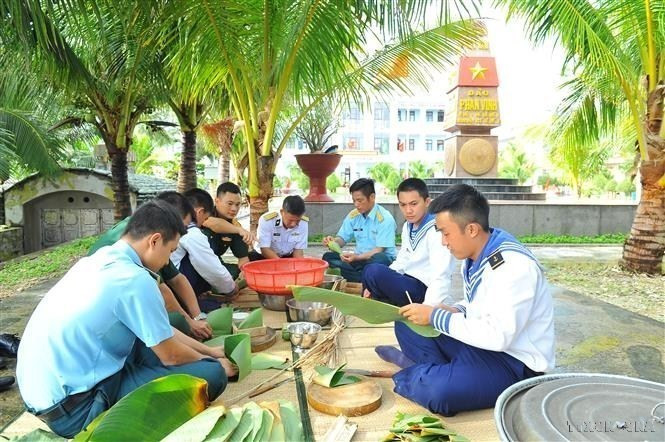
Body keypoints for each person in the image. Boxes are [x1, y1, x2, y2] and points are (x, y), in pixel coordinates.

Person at [17, 201, 236, 438]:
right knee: (213, 375)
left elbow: (162, 333)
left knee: (176, 326)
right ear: (154, 241)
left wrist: (212, 351)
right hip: (79, 408)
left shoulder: (97, 260)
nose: (166, 262)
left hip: (50, 396)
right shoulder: (135, 279)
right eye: (170, 251)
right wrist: (210, 360)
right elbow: (170, 355)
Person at [383, 184, 555, 416]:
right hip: (481, 345)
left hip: (514, 363)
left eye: (445, 233)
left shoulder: (514, 267)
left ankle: (427, 372)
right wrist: (455, 309)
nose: (444, 242)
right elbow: (478, 304)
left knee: (438, 392)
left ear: (471, 229)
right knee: (407, 323)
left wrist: (436, 316)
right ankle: (445, 372)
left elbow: (498, 337)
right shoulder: (477, 254)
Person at [87, 192, 212, 340]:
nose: (183, 232)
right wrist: (190, 323)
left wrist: (197, 317)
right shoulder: (135, 245)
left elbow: (177, 279)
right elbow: (162, 291)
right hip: (105, 324)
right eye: (182, 226)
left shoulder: (149, 237)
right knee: (177, 323)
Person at [362, 178, 456, 306]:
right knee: (369, 272)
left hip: (424, 289)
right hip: (407, 282)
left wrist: (428, 309)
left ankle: (387, 299)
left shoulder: (437, 230)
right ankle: (381, 296)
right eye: (403, 205)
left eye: (413, 204)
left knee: (374, 271)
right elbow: (402, 260)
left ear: (427, 202)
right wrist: (374, 283)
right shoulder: (408, 226)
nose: (408, 210)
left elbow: (441, 274)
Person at [173, 188, 239, 312]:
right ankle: (190, 303)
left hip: (167, 283)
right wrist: (231, 288)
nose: (203, 223)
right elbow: (211, 268)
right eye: (205, 219)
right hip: (175, 288)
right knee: (202, 261)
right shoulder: (192, 232)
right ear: (200, 212)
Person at [322, 178, 396, 282]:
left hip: (377, 260)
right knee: (328, 257)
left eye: (360, 200)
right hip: (357, 260)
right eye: (354, 201)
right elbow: (342, 239)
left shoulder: (384, 218)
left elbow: (379, 250)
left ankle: (358, 276)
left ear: (372, 197)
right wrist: (332, 242)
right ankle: (365, 278)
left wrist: (357, 257)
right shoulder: (353, 216)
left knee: (380, 259)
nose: (356, 204)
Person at [201, 182, 250, 279]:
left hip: (216, 265)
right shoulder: (205, 214)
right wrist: (238, 230)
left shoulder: (235, 227)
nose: (234, 209)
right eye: (230, 204)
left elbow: (243, 258)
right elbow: (213, 223)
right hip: (196, 264)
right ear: (217, 201)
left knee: (239, 273)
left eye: (237, 204)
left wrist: (244, 273)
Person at [250, 195, 308, 260]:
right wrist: (281, 265)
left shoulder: (303, 223)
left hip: (287, 257)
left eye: (297, 221)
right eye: (290, 220)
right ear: (282, 212)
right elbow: (264, 249)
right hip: (263, 256)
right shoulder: (267, 220)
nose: (293, 224)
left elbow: (298, 252)